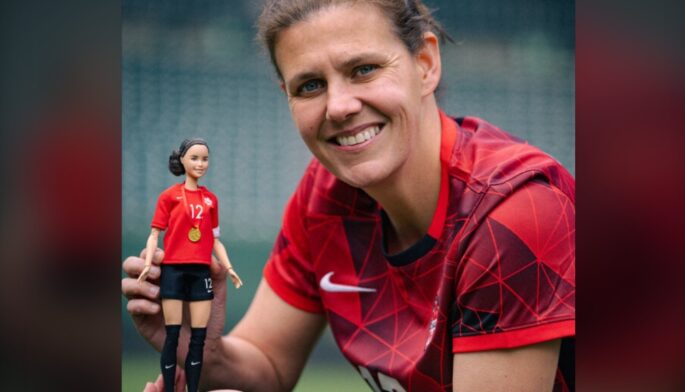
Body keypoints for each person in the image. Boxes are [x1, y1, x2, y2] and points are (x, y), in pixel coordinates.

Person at [122, 1, 575, 391]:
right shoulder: (324, 196)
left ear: (425, 63)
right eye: (310, 86)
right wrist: (198, 346)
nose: (338, 106)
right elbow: (268, 363)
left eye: (364, 69)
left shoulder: (513, 214)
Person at [135, 138, 243, 392]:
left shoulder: (211, 200)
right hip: (173, 269)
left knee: (198, 338)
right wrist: (148, 263)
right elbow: (154, 234)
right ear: (182, 160)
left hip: (201, 272)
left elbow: (215, 240)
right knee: (172, 336)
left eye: (205, 158)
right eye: (194, 158)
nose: (201, 163)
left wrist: (229, 269)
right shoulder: (169, 196)